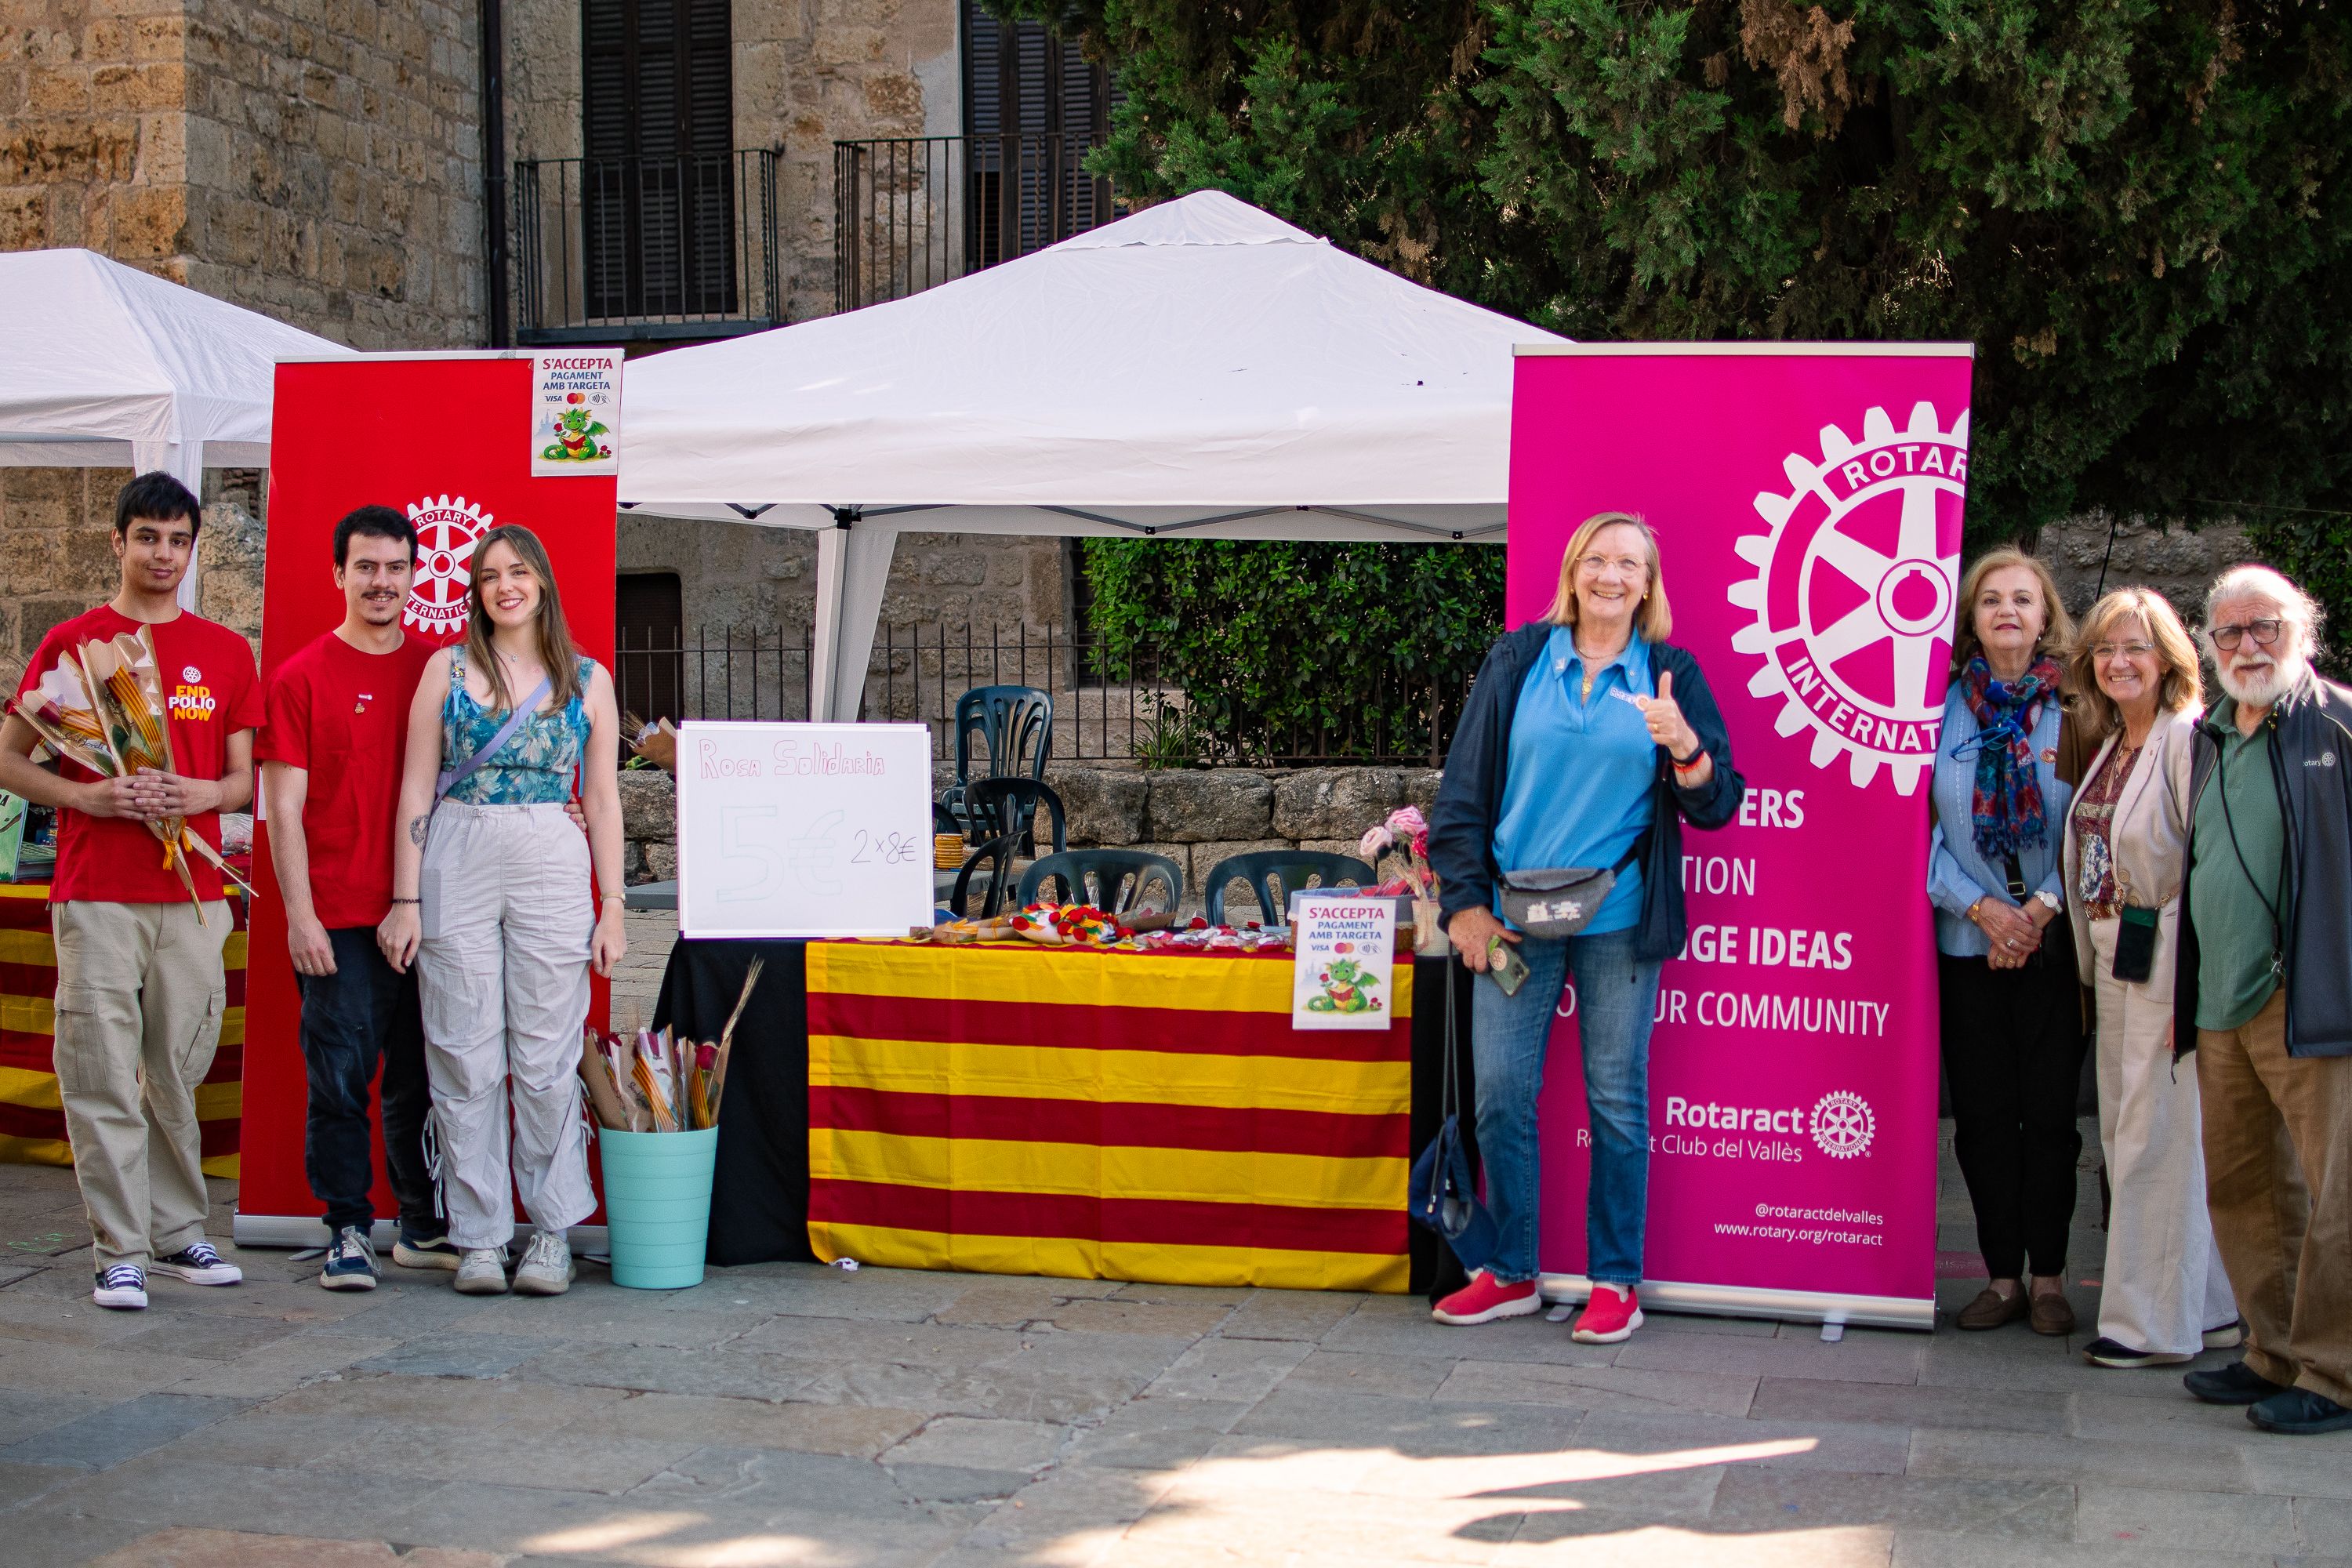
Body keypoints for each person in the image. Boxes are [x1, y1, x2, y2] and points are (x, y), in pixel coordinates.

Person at [1428, 511, 1743, 1345]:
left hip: (1618, 917)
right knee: (1500, 1092)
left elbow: (1718, 803)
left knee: (1616, 1100)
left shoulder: (1669, 672)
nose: (1611, 574)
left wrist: (1686, 747)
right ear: (1572, 572)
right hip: (1511, 919)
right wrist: (1464, 904)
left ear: (1648, 584)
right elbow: (1462, 792)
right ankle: (1512, 1270)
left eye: (1629, 563)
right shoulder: (1517, 660)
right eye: (1597, 559)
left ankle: (1615, 1280)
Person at [0, 473, 257, 1310]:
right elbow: (9, 756)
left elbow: (242, 778)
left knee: (178, 1067)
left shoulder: (225, 650)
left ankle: (181, 1229)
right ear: (118, 542)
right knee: (102, 1070)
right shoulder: (73, 644)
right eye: (147, 537)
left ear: (192, 548)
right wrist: (84, 796)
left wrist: (200, 796)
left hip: (189, 895)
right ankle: (120, 1246)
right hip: (97, 888)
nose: (163, 554)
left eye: (177, 539)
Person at [378, 524, 626, 1298]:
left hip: (552, 850)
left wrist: (613, 904)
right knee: (460, 1043)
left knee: (548, 1047)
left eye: (518, 572)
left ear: (543, 581)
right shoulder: (443, 670)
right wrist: (405, 895)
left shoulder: (587, 678)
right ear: (475, 590)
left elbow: (603, 795)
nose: (504, 585)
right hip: (457, 847)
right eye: (489, 575)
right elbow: (417, 788)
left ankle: (551, 1228)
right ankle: (479, 1233)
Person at [257, 506, 456, 1290]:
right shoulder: (301, 677)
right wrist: (299, 914)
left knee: (422, 1076)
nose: (382, 582)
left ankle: (418, 1224)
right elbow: (282, 808)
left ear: (416, 574)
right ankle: (346, 1224)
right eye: (366, 567)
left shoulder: (440, 673)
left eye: (396, 567)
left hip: (432, 910)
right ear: (338, 573)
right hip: (337, 914)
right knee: (340, 1078)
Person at [2173, 565, 2352, 1436]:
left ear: (2302, 631)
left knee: (2336, 1193)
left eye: (2266, 627)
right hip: (2219, 1000)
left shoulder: (2341, 724)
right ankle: (2272, 1350)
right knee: (2244, 1186)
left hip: (2309, 997)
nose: (2248, 645)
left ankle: (2338, 1371)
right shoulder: (2207, 734)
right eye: (2231, 631)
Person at [2059, 588, 2238, 1367]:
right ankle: (2212, 1306)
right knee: (2141, 1132)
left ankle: (2150, 1326)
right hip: (2115, 960)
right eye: (2104, 649)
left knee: (2152, 1141)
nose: (2117, 661)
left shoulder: (2183, 739)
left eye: (2134, 647)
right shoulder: (2113, 743)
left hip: (2165, 957)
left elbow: (2208, 866)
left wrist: (2196, 983)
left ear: (2169, 659)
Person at [1927, 547, 2085, 1335]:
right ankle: (2000, 1276)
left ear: (2046, 613)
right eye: (1991, 599)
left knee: (2052, 1116)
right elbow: (1912, 828)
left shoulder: (2079, 708)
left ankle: (2051, 1278)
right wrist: (1984, 909)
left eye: (2023, 598)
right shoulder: (1937, 706)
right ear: (1972, 616)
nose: (2007, 611)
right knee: (1985, 1118)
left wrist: (2038, 914)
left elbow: (2096, 820)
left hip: (2054, 946)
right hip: (1967, 942)